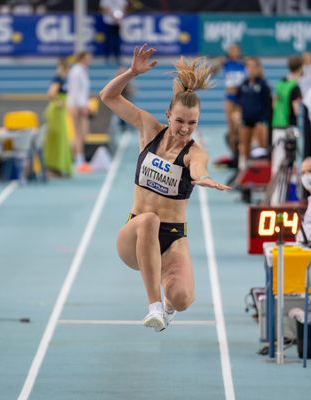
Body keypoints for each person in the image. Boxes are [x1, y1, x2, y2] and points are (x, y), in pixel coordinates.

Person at [99, 44, 231, 332]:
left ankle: (170, 305)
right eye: (180, 121)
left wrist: (203, 177)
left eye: (192, 123)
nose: (185, 128)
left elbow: (198, 167)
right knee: (149, 219)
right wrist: (132, 72)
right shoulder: (149, 129)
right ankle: (154, 306)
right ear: (168, 114)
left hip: (172, 238)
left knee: (183, 298)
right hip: (135, 233)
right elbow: (107, 97)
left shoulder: (195, 152)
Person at [235, 57, 271, 173]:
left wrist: (265, 121)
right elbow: (239, 103)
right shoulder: (243, 85)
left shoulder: (263, 84)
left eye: (252, 66)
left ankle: (264, 172)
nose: (250, 69)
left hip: (260, 121)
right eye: (248, 66)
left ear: (257, 68)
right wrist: (237, 114)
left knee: (262, 148)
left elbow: (269, 103)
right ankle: (244, 170)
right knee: (244, 147)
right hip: (246, 120)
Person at [211, 43, 246, 162]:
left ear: (239, 51)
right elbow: (211, 72)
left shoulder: (244, 63)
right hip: (229, 98)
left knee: (240, 127)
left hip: (241, 98)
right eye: (231, 49)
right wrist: (218, 63)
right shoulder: (226, 63)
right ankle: (234, 155)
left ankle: (241, 153)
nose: (233, 51)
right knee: (231, 128)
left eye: (235, 49)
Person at [43, 58, 73, 177]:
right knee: (56, 140)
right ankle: (52, 168)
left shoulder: (62, 79)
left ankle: (59, 168)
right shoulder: (58, 79)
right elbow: (51, 93)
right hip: (56, 112)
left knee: (61, 140)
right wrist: (58, 102)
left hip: (60, 113)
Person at [66, 51, 93, 173]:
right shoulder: (77, 71)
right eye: (87, 58)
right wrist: (83, 106)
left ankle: (75, 158)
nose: (90, 60)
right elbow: (76, 91)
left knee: (83, 133)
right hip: (75, 105)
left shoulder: (82, 70)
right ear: (82, 58)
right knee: (78, 133)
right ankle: (78, 160)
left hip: (79, 103)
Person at [99, 0, 128, 65]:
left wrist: (120, 16)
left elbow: (124, 7)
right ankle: (106, 57)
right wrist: (113, 15)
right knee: (107, 40)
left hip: (118, 22)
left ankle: (117, 57)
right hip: (108, 22)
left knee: (117, 40)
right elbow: (104, 8)